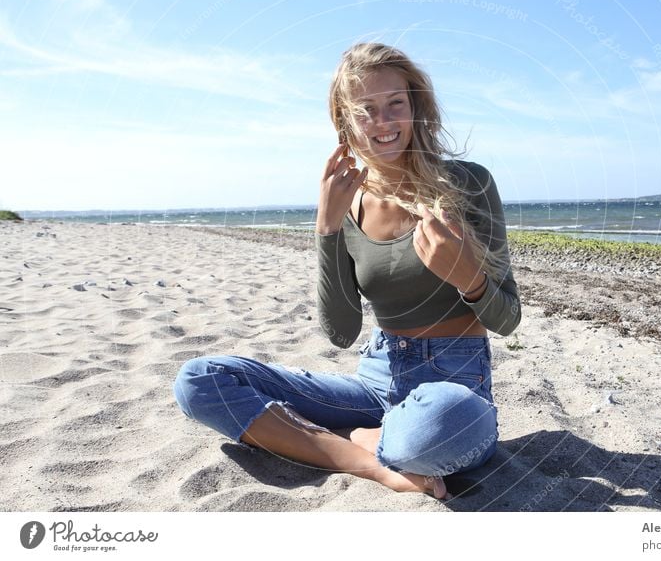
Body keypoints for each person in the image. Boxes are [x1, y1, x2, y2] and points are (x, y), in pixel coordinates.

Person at [173, 43, 521, 500]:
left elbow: (507, 319)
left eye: (396, 103)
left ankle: (369, 436)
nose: (383, 122)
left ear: (416, 107)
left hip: (454, 380)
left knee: (450, 419)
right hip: (377, 380)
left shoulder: (469, 184)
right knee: (199, 381)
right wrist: (327, 226)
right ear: (345, 122)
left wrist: (466, 277)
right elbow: (340, 333)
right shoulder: (347, 204)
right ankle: (369, 459)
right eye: (366, 110)